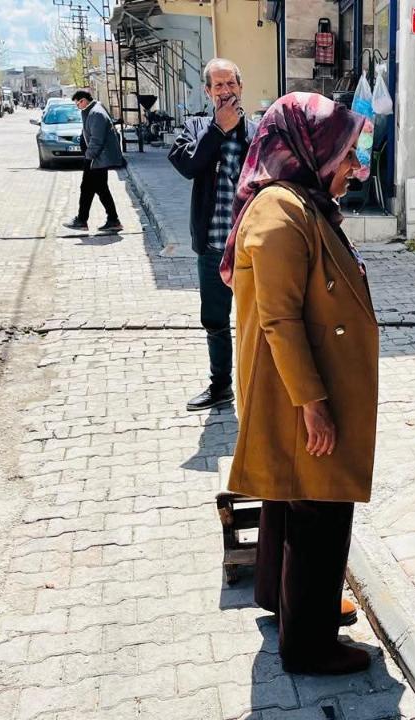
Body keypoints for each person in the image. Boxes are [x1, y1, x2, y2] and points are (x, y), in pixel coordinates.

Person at [224, 92, 376, 675]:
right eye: (345, 153)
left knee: (291, 498)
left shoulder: (300, 203)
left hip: (299, 386)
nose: (353, 167)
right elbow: (280, 319)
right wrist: (313, 403)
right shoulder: (280, 211)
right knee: (319, 508)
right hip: (298, 392)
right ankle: (309, 644)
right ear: (309, 149)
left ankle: (282, 602)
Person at [168, 59, 258, 411]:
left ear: (240, 86)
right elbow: (187, 165)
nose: (225, 91)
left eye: (230, 84)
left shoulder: (257, 133)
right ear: (207, 91)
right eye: (217, 86)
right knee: (216, 320)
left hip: (252, 249)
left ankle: (262, 386)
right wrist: (217, 130)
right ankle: (221, 387)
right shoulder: (195, 128)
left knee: (264, 319)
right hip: (213, 246)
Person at [63, 90, 124, 232]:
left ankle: (111, 220)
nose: (78, 107)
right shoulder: (92, 111)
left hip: (97, 159)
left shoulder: (96, 113)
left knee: (98, 189)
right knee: (89, 189)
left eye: (78, 104)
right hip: (95, 158)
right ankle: (83, 220)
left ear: (83, 100)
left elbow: (97, 139)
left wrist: (89, 156)